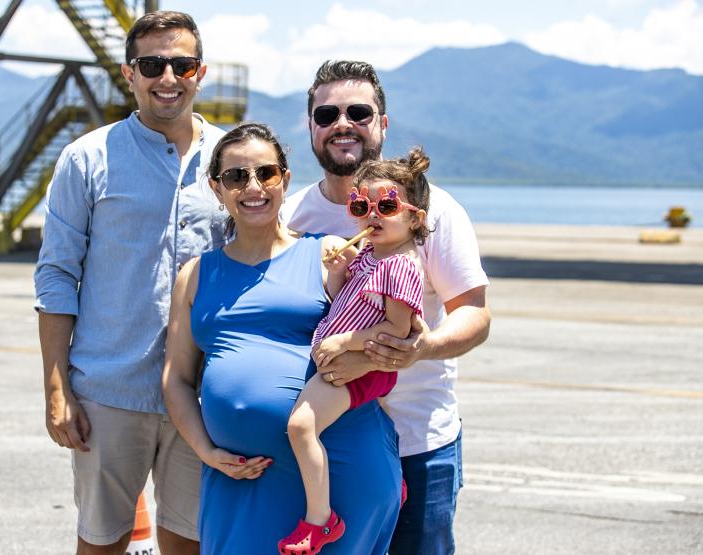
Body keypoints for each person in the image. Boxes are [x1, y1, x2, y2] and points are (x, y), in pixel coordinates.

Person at [34, 11, 227, 555]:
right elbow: (56, 276)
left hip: (203, 392)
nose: (167, 77)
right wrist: (56, 389)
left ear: (200, 71)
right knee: (102, 542)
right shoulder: (85, 159)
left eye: (181, 64)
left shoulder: (235, 162)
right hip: (108, 393)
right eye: (152, 65)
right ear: (129, 74)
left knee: (189, 543)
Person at [281, 60, 492, 554]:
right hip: (328, 445)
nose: (342, 124)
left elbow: (475, 313)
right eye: (327, 114)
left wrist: (418, 347)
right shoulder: (290, 214)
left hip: (417, 440)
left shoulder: (433, 210)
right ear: (311, 125)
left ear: (382, 123)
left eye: (358, 111)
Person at [163, 122, 401, 554]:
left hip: (335, 476)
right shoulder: (194, 276)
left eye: (266, 174)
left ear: (285, 180)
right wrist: (205, 450)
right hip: (239, 477)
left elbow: (397, 330)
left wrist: (365, 355)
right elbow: (176, 379)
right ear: (217, 189)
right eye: (236, 176)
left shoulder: (331, 255)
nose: (253, 187)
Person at [279, 151, 430, 554]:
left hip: (366, 367)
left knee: (301, 427)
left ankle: (320, 521)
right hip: (351, 360)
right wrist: (339, 271)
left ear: (415, 217)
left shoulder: (398, 265)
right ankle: (385, 480)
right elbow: (352, 302)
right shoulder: (371, 255)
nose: (373, 215)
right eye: (362, 206)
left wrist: (346, 343)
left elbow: (397, 329)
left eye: (387, 206)